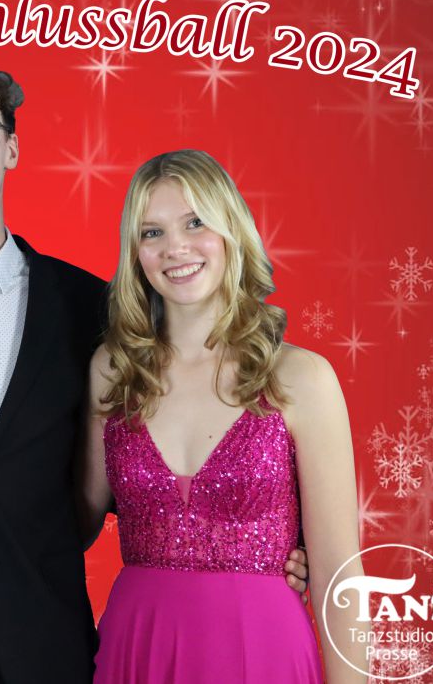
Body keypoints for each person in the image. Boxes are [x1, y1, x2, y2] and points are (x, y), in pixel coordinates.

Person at [0, 65, 311, 684]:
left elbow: (185, 417)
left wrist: (280, 541)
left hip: (46, 643)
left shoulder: (96, 311)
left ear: (11, 147)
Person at [81, 150, 365, 683]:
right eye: (152, 232)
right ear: (135, 253)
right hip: (136, 646)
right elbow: (71, 521)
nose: (176, 248)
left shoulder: (302, 378)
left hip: (265, 652)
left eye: (195, 223)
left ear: (232, 229)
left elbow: (338, 574)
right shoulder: (112, 371)